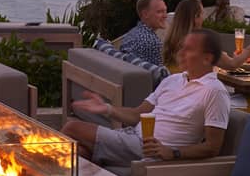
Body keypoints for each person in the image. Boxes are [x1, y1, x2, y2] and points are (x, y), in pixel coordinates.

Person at [62, 31, 230, 167]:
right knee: (77, 152)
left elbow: (212, 147)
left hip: (152, 151)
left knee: (72, 129)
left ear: (207, 58)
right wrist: (107, 109)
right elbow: (137, 114)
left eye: (189, 49)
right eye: (182, 48)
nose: (181, 53)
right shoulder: (173, 80)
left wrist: (173, 153)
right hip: (132, 137)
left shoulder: (214, 92)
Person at [114, 0, 167, 67]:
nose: (165, 15)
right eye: (160, 12)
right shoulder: (152, 42)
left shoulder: (131, 34)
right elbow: (160, 76)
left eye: (165, 11)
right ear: (145, 14)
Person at [160, 0, 204, 72]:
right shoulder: (194, 44)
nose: (203, 18)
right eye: (202, 14)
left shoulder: (171, 40)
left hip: (171, 81)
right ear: (196, 17)